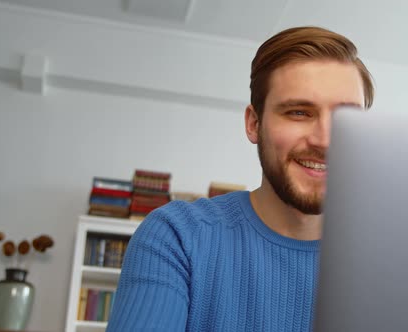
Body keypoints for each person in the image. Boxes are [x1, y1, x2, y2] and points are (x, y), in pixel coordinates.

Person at [107, 26, 374, 331]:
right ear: (253, 123)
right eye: (299, 112)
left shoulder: (391, 262)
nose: (325, 140)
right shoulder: (178, 236)